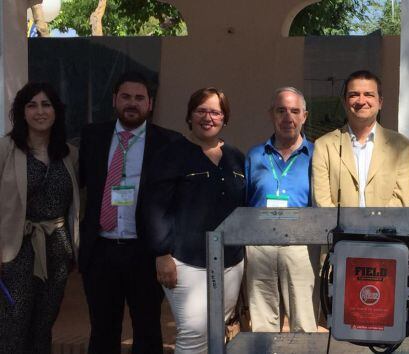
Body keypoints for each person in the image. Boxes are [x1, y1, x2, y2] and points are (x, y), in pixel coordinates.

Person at [79, 72, 180, 354]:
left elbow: (176, 198)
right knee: (102, 330)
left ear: (150, 104)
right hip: (100, 250)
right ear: (114, 100)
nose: (132, 103)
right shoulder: (92, 136)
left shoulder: (168, 142)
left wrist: (167, 249)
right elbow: (81, 184)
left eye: (139, 98)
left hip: (144, 252)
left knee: (147, 331)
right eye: (125, 97)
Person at [143, 87, 245, 353]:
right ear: (189, 116)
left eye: (215, 112)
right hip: (185, 261)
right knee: (194, 331)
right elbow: (154, 207)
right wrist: (161, 254)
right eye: (201, 110)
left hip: (230, 261)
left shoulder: (236, 158)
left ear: (225, 118)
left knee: (218, 328)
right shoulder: (171, 155)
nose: (208, 117)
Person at [0, 82, 80, 353]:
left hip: (57, 249)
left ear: (56, 111)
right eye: (32, 105)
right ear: (22, 112)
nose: (40, 111)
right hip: (15, 250)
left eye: (46, 104)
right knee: (13, 324)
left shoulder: (70, 155)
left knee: (44, 325)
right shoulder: (5, 149)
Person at [244, 87, 318, 332]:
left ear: (305, 116)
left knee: (304, 322)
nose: (288, 117)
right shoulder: (254, 155)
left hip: (301, 245)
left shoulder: (317, 155)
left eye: (295, 111)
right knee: (262, 323)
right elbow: (244, 201)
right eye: (281, 110)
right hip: (259, 245)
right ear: (271, 115)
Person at [312, 70, 409, 208]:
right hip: (338, 230)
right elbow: (322, 201)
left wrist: (374, 228)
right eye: (354, 95)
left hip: (385, 228)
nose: (361, 101)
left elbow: (401, 200)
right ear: (345, 102)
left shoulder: (402, 147)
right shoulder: (324, 146)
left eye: (368, 95)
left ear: (380, 102)